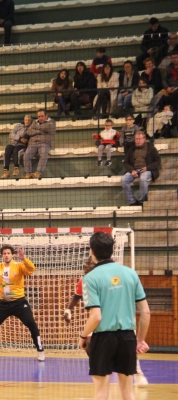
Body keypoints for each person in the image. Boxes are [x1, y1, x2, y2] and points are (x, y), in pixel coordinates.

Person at [79, 231, 151, 400]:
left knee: (101, 392)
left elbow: (96, 316)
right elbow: (146, 312)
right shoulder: (131, 273)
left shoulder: (90, 278)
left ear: (92, 251)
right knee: (128, 393)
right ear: (112, 250)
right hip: (127, 338)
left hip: (103, 339)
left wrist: (82, 336)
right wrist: (139, 340)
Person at [64, 256, 149, 387]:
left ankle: (137, 372)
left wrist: (82, 336)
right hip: (114, 329)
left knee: (102, 388)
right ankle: (129, 371)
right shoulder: (89, 279)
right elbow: (77, 297)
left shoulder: (112, 276)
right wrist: (68, 309)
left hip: (109, 329)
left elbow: (95, 315)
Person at [0, 245, 45, 361]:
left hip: (19, 302)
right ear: (2, 255)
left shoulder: (19, 266)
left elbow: (31, 269)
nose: (6, 255)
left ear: (12, 255)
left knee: (31, 324)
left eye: (8, 253)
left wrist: (24, 258)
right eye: (4, 253)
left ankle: (40, 351)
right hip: (2, 303)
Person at [121, 131, 161, 206]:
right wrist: (132, 170)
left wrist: (147, 168)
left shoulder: (151, 148)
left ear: (144, 139)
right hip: (134, 170)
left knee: (143, 178)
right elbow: (126, 162)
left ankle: (143, 201)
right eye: (136, 139)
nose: (138, 141)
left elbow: (158, 161)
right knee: (123, 179)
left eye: (139, 139)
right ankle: (132, 202)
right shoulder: (131, 149)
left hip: (147, 169)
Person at [23, 109, 55, 179]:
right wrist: (39, 131)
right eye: (39, 116)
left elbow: (48, 128)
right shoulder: (34, 122)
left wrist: (35, 130)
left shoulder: (52, 122)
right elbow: (28, 131)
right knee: (26, 156)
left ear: (46, 116)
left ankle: (38, 173)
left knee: (43, 155)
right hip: (33, 143)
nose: (40, 118)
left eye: (42, 116)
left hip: (45, 143)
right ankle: (28, 174)